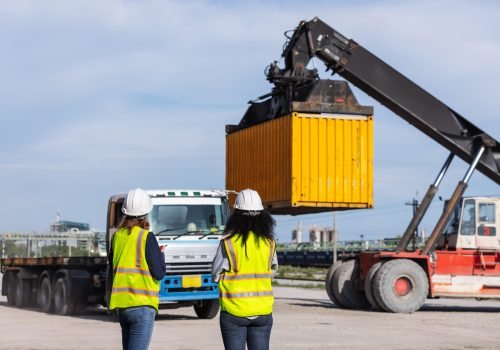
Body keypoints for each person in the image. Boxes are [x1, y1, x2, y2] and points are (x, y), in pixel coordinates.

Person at [211, 189, 278, 350]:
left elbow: (215, 275)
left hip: (234, 312)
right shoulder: (269, 243)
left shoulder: (228, 243)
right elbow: (273, 271)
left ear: (236, 216)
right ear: (263, 216)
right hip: (262, 311)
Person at [108, 188, 166, 350]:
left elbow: (115, 265)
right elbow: (159, 273)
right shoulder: (147, 237)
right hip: (142, 306)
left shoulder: (117, 237)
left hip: (123, 307)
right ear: (146, 213)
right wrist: (160, 255)